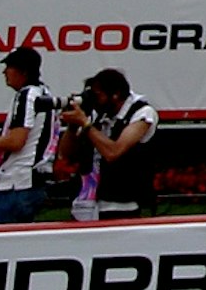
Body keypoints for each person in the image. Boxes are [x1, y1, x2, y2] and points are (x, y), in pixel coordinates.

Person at [0, 45, 61, 225]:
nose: (4, 72)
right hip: (31, 180)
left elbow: (16, 142)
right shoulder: (44, 93)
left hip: (17, 182)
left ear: (22, 71)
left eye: (9, 67)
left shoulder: (27, 95)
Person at [64, 68, 163, 221]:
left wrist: (85, 123)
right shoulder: (98, 113)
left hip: (120, 204)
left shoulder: (142, 113)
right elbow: (66, 154)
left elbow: (113, 152)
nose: (95, 101)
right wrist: (72, 127)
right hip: (85, 203)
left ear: (115, 95)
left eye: (98, 95)